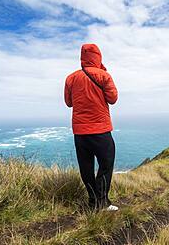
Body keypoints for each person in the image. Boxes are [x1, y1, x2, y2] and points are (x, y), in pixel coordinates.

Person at [64, 43, 118, 211]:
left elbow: (69, 103)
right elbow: (113, 98)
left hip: (80, 133)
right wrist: (103, 72)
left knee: (86, 167)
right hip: (101, 131)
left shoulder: (71, 78)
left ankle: (92, 201)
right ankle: (102, 202)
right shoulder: (103, 76)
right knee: (106, 164)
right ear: (98, 57)